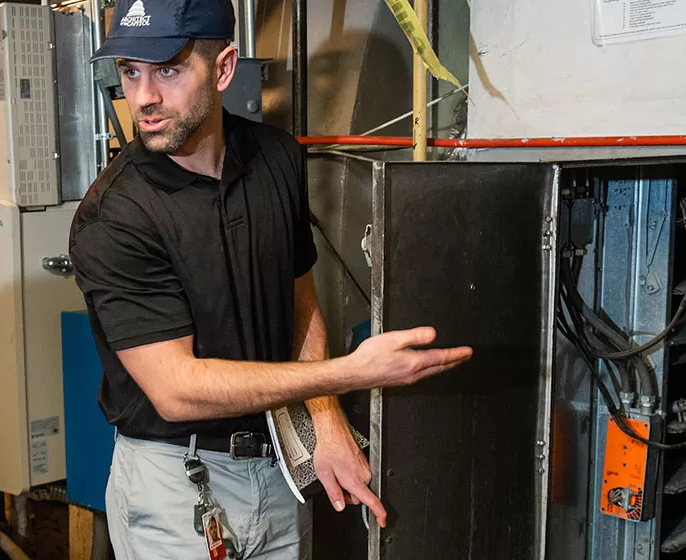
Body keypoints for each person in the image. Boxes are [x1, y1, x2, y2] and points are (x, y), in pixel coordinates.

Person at [68, 0, 474, 557]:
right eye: (130, 72)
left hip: (277, 466)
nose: (143, 98)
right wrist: (347, 374)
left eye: (167, 70)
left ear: (225, 67)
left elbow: (297, 293)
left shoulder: (277, 158)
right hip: (175, 486)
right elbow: (176, 390)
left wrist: (326, 421)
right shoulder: (115, 215)